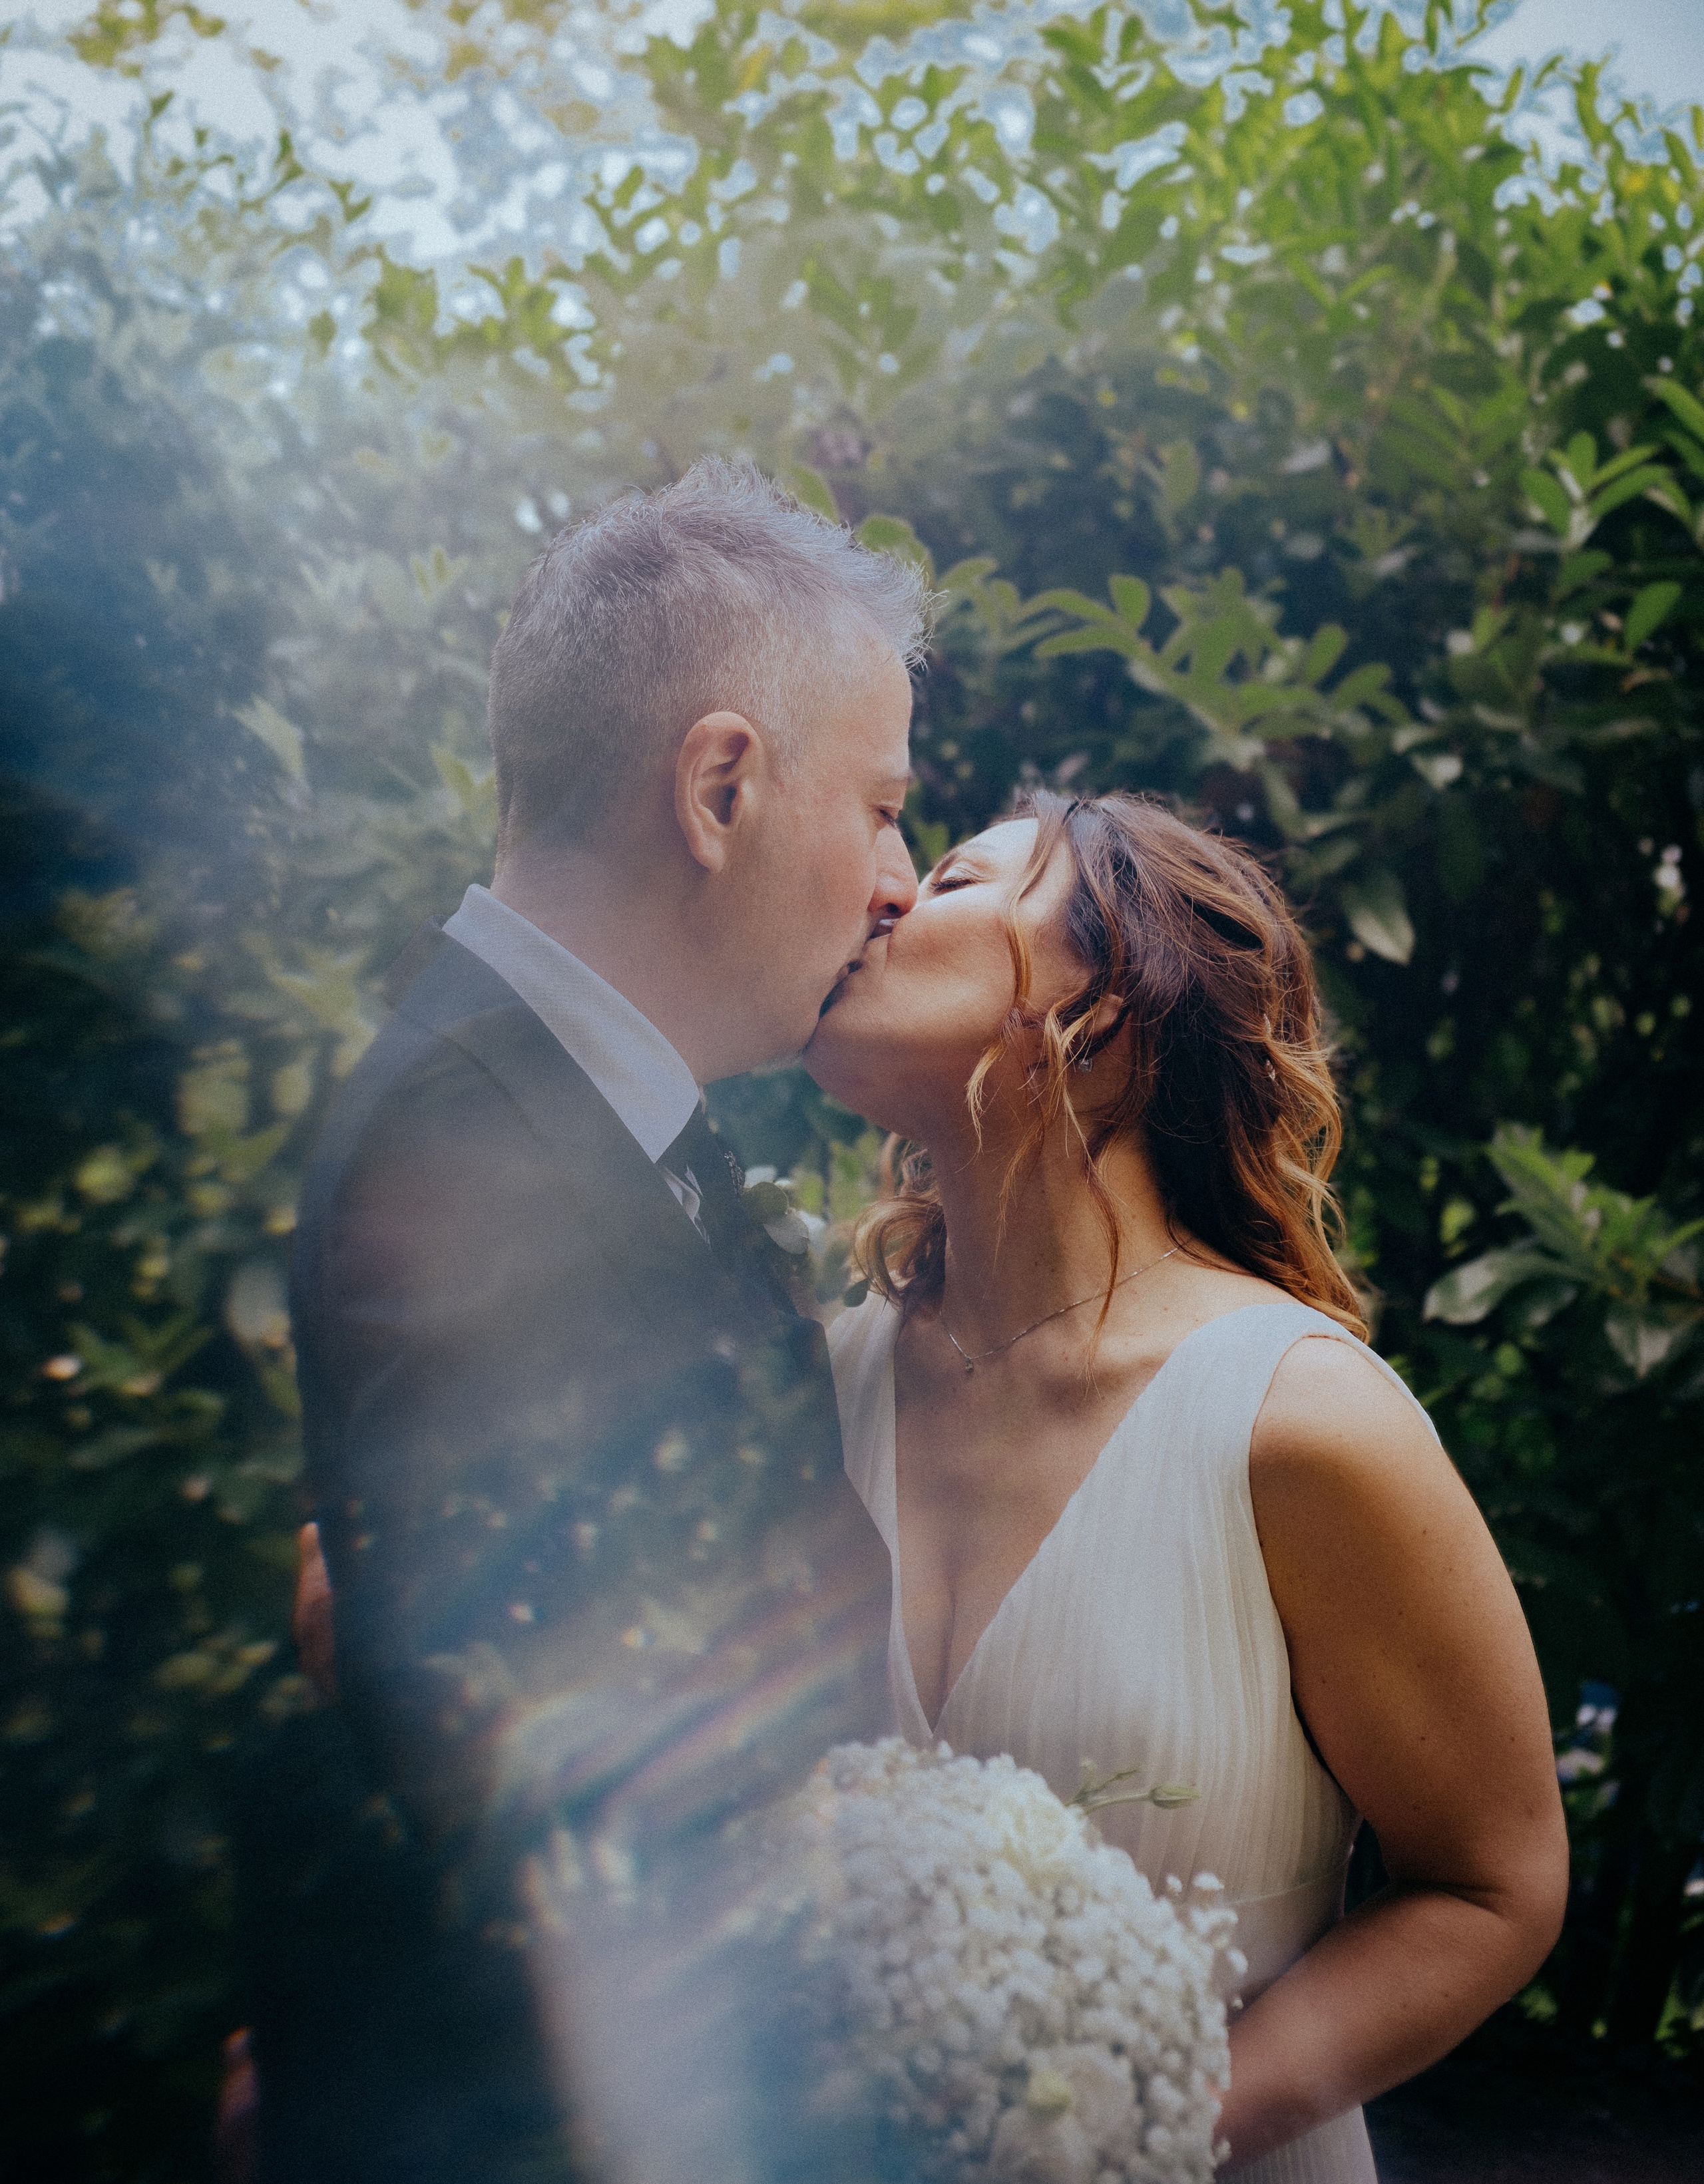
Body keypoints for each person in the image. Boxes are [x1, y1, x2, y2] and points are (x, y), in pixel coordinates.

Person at [240, 461, 927, 2183]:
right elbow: (566, 1782)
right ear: (720, 786)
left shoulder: (578, 1118)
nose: (903, 881)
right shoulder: (472, 1161)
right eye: (885, 806)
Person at [807, 791, 1568, 2181]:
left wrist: (1135, 2120)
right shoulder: (805, 1394)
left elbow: (1493, 1885)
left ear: (1100, 1014)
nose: (884, 899)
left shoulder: (1302, 1424)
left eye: (960, 877)